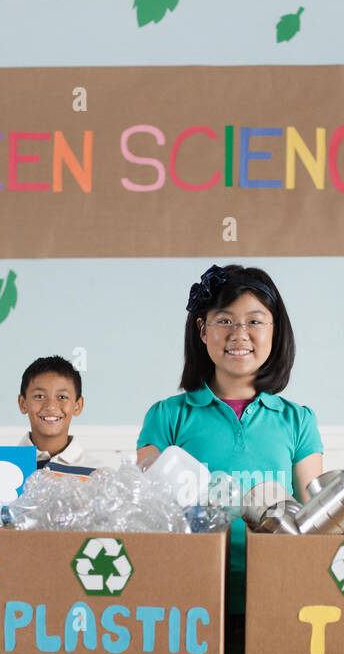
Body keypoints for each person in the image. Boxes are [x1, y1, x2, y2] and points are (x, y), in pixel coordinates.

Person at [136, 263, 323, 623]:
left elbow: (313, 517)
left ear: (275, 331)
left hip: (277, 593)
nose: (240, 334)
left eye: (255, 321)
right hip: (190, 596)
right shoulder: (166, 416)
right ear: (202, 331)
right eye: (224, 321)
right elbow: (149, 510)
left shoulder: (299, 420)